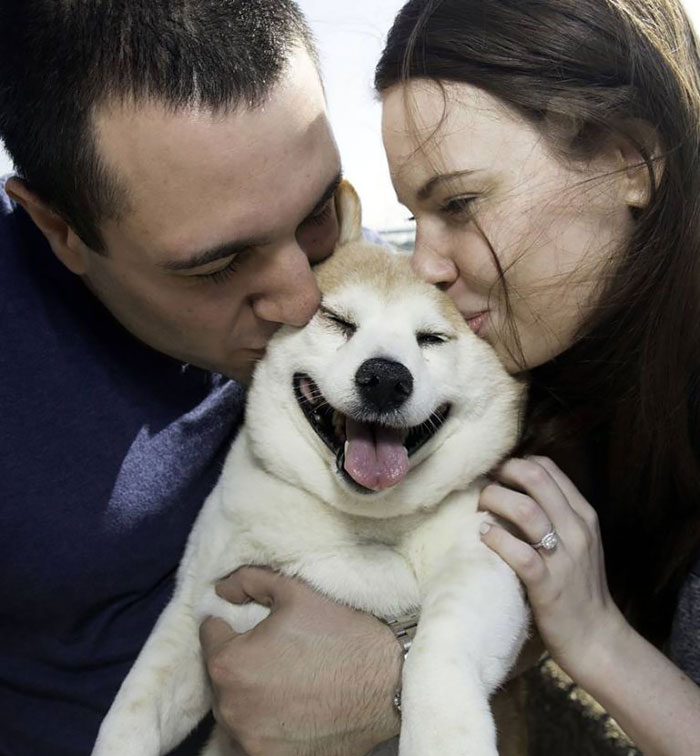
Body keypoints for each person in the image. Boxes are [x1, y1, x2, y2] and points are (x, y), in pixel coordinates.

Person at [0, 2, 403, 755]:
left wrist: (402, 677)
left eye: (318, 215)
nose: (304, 301)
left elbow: (572, 547)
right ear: (60, 230)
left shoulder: (372, 291)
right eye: (219, 267)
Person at [374, 0, 700, 753]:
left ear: (632, 162)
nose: (425, 264)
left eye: (458, 202)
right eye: (413, 218)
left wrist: (595, 637)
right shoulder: (567, 371)